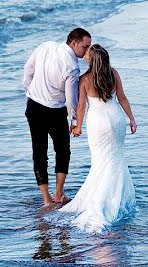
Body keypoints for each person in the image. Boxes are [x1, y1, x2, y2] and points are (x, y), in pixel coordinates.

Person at [57, 44, 136, 233]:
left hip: (98, 122)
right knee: (115, 159)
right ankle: (117, 198)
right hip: (116, 119)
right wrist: (131, 119)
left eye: (88, 54)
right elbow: (122, 98)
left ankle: (100, 201)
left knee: (100, 162)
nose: (85, 55)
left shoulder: (85, 79)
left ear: (92, 60)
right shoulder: (113, 73)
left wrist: (77, 126)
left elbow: (82, 106)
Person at [23, 28, 92, 206]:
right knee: (62, 151)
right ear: (73, 42)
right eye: (85, 47)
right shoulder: (72, 67)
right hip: (55, 111)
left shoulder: (45, 46)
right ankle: (58, 194)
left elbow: (28, 69)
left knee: (39, 152)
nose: (87, 51)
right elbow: (71, 100)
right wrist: (75, 122)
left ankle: (46, 200)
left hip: (34, 106)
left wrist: (29, 92)